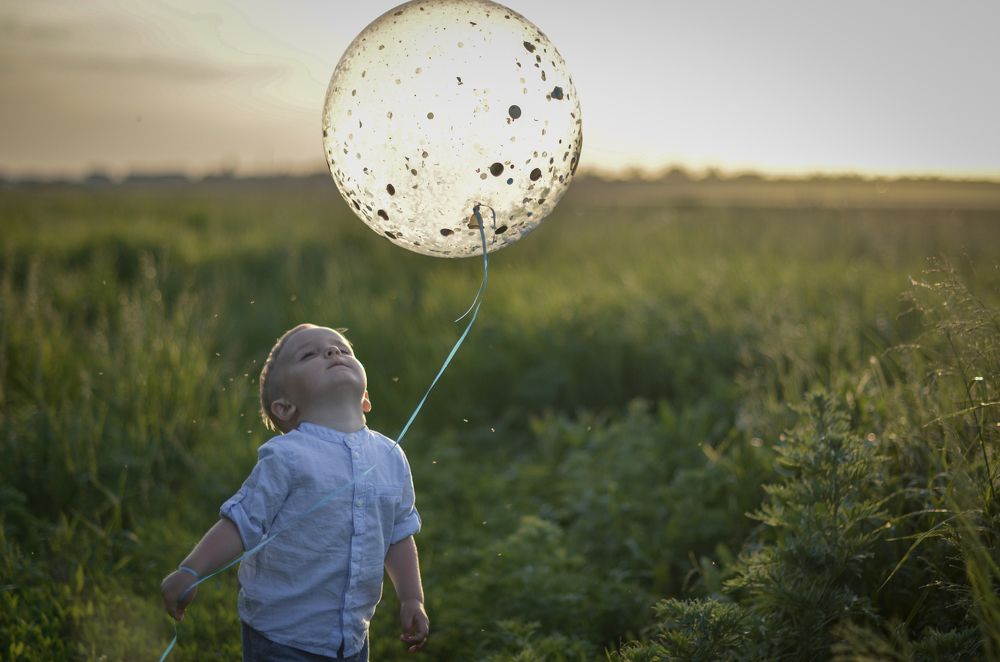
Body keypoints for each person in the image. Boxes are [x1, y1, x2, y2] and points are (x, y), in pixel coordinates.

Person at [161, 323, 429, 660]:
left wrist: (411, 598)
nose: (333, 353)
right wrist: (191, 569)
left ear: (365, 398)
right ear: (284, 407)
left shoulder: (390, 457)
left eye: (343, 349)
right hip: (281, 636)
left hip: (351, 637)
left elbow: (399, 535)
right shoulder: (287, 457)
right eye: (309, 354)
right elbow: (241, 522)